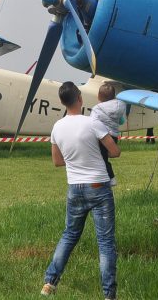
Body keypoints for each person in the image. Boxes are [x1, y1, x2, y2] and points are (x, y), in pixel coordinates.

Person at [41, 82, 121, 300]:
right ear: (80, 98)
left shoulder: (57, 127)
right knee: (105, 242)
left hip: (74, 187)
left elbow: (57, 161)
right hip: (98, 186)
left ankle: (49, 283)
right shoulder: (92, 123)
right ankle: (109, 294)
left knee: (69, 235)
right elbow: (115, 152)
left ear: (62, 102)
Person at [90, 83, 127, 186]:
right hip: (114, 137)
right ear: (114, 95)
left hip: (103, 137)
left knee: (101, 159)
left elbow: (92, 123)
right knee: (103, 157)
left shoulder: (97, 109)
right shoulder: (119, 106)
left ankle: (110, 178)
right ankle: (107, 178)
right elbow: (121, 121)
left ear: (99, 96)